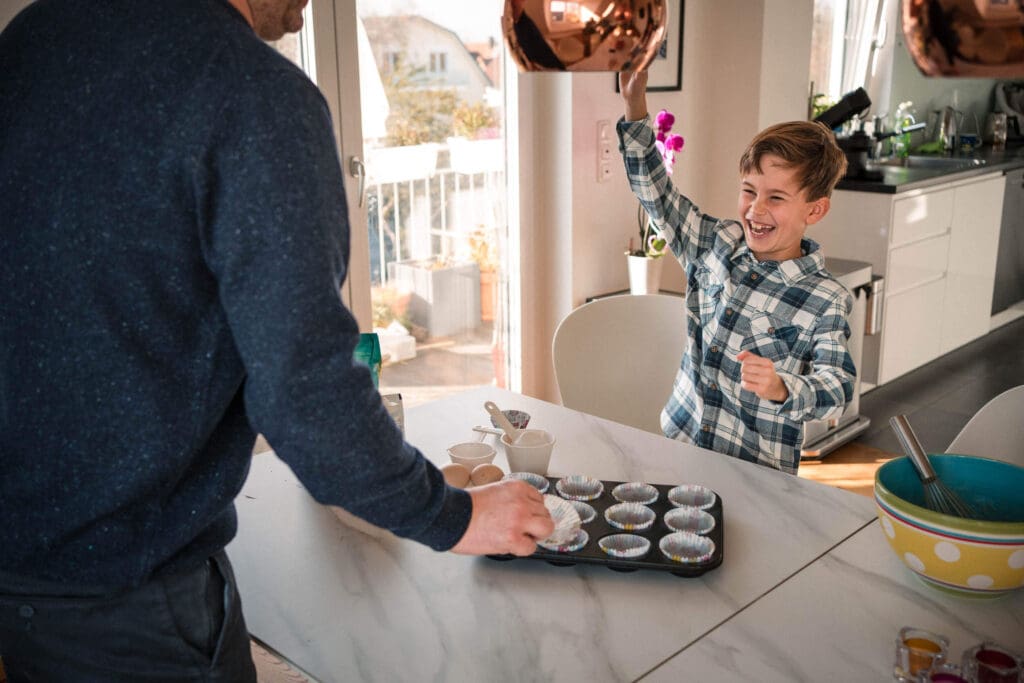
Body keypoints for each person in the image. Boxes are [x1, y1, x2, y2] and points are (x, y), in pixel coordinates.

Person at [0, 0, 553, 679]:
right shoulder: (253, 94)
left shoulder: (36, 34)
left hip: (25, 576)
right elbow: (307, 391)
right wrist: (453, 516)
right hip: (135, 599)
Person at [616, 70, 856, 475]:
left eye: (776, 197)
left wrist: (784, 386)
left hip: (755, 475)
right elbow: (656, 194)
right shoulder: (716, 244)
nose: (755, 209)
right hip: (679, 447)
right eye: (749, 190)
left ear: (814, 209)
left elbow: (838, 387)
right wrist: (635, 103)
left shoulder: (825, 298)